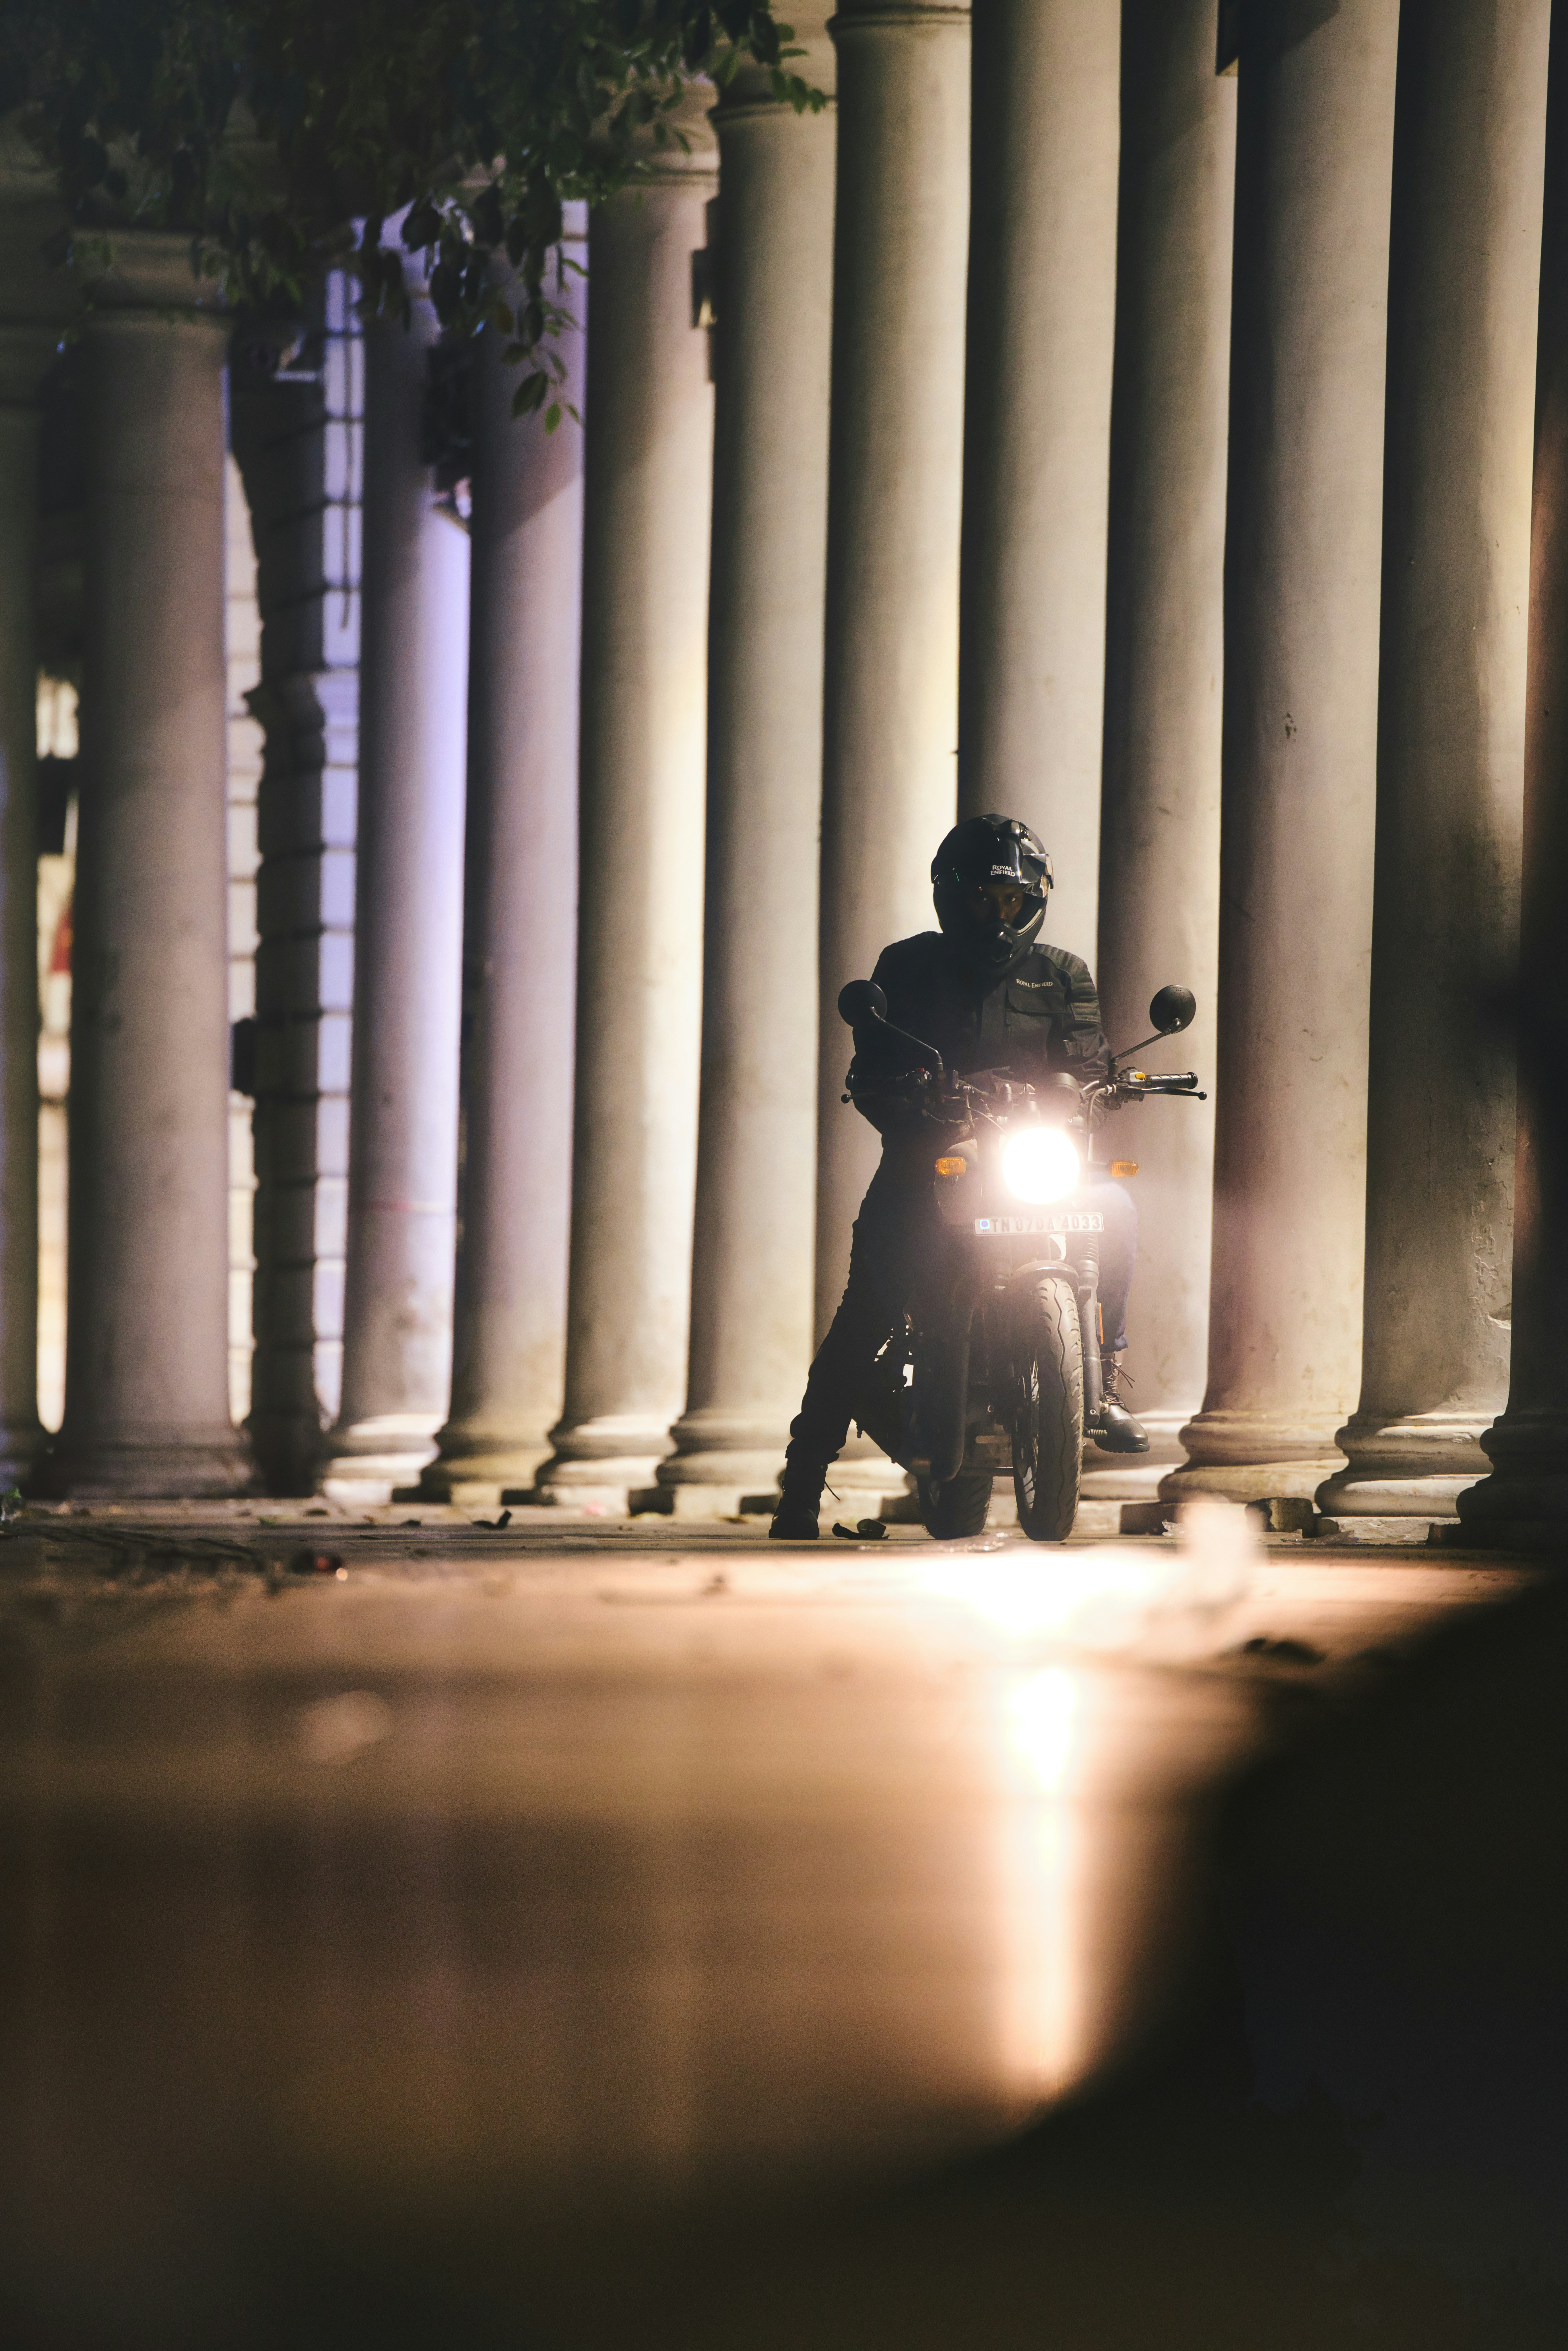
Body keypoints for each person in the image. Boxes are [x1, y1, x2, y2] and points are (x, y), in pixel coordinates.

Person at [771, 813, 1146, 1541]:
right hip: (930, 1165)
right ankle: (803, 1484)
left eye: (1010, 900)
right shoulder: (906, 967)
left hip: (1032, 1160)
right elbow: (869, 1068)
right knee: (866, 1310)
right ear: (951, 897)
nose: (997, 915)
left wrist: (1099, 1086)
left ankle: (1105, 1376)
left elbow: (1090, 1060)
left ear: (1034, 898)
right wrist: (908, 1096)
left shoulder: (1063, 973)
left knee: (1118, 1206)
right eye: (982, 899)